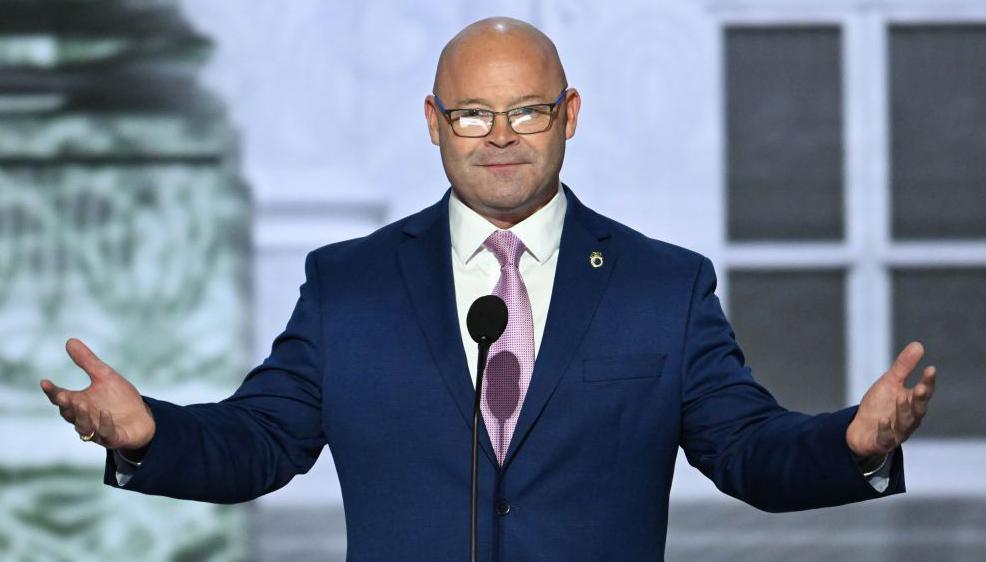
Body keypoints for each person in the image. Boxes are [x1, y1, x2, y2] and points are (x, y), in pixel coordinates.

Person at [40, 17, 937, 561]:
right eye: (471, 113)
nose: (498, 135)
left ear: (568, 116)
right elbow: (260, 440)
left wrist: (852, 443)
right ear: (434, 124)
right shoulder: (348, 284)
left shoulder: (660, 286)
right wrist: (152, 432)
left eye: (526, 111)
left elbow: (746, 451)